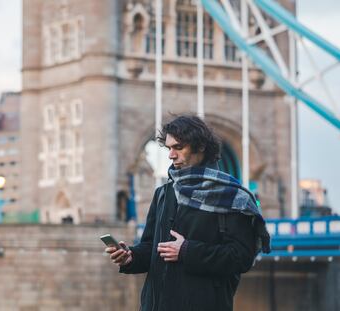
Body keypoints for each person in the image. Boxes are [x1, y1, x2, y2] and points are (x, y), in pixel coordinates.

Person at [105, 115, 270, 311]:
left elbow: (241, 258)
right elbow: (152, 247)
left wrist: (187, 251)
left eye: (178, 147)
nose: (171, 155)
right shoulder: (164, 194)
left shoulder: (234, 198)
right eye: (169, 148)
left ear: (200, 147)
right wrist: (131, 256)